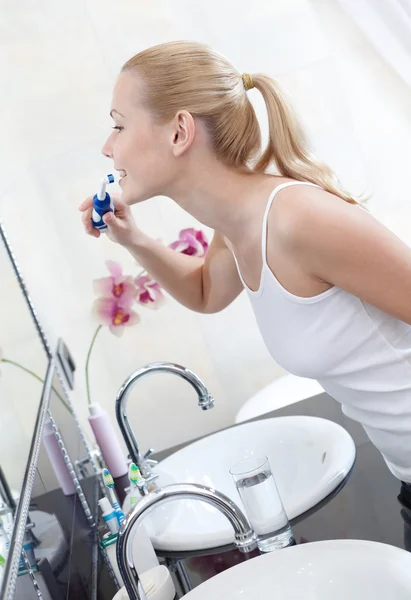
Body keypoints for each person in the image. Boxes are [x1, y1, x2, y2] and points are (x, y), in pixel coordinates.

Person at [79, 41, 411, 542]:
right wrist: (134, 238)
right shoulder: (238, 222)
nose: (109, 146)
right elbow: (207, 292)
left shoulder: (299, 219)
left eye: (119, 124)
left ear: (178, 131)